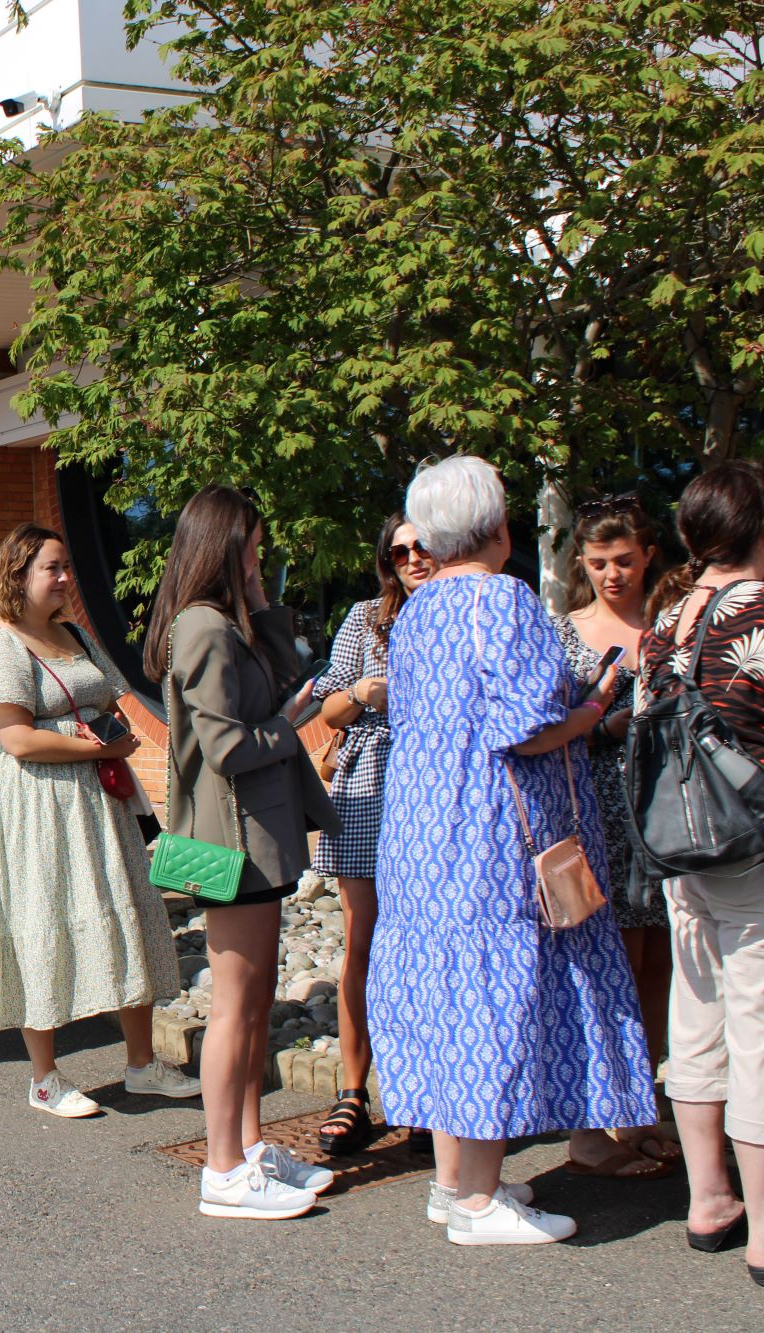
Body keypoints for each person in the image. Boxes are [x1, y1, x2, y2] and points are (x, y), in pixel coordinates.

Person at [368, 456, 656, 1245]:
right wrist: (595, 703)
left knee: (447, 991)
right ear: (496, 526)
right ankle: (477, 1202)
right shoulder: (504, 598)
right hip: (491, 828)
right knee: (496, 993)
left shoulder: (418, 608)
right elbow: (526, 728)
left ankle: (454, 1180)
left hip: (423, 830)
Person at [146, 487, 342, 1220]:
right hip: (227, 844)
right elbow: (228, 745)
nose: (262, 554)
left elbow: (287, 682)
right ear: (226, 544)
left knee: (255, 1001)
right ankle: (224, 1168)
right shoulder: (202, 628)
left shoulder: (227, 623)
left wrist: (260, 601)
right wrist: (289, 733)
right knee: (235, 1008)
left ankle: (250, 1148)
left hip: (247, 839)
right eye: (253, 545)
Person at [0, 526, 195, 1118]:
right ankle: (44, 1078)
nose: (65, 578)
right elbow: (16, 738)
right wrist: (97, 747)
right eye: (52, 568)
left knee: (123, 910)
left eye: (66, 566)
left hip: (95, 799)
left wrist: (111, 735)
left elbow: (111, 701)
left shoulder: (74, 633)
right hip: (35, 805)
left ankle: (141, 1065)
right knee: (41, 917)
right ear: (19, 575)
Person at [635, 461, 764, 1280]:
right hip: (752, 842)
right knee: (760, 1025)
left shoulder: (668, 620)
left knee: (699, 1013)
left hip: (680, 840)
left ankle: (708, 1196)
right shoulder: (759, 611)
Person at [555, 493, 683, 1170]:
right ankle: (608, 1108)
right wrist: (600, 723)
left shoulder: (669, 625)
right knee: (614, 966)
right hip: (598, 812)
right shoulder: (566, 630)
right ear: (582, 562)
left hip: (665, 810)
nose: (613, 574)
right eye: (600, 562)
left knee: (661, 961)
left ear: (648, 557)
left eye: (625, 560)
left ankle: (645, 1100)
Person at [307, 513, 439, 1156]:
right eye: (400, 549)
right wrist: (363, 690)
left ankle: (422, 1091)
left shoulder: (457, 610)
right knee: (364, 939)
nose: (414, 557)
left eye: (424, 545)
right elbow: (326, 706)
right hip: (370, 785)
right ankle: (354, 1091)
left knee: (429, 942)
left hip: (439, 789)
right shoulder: (366, 617)